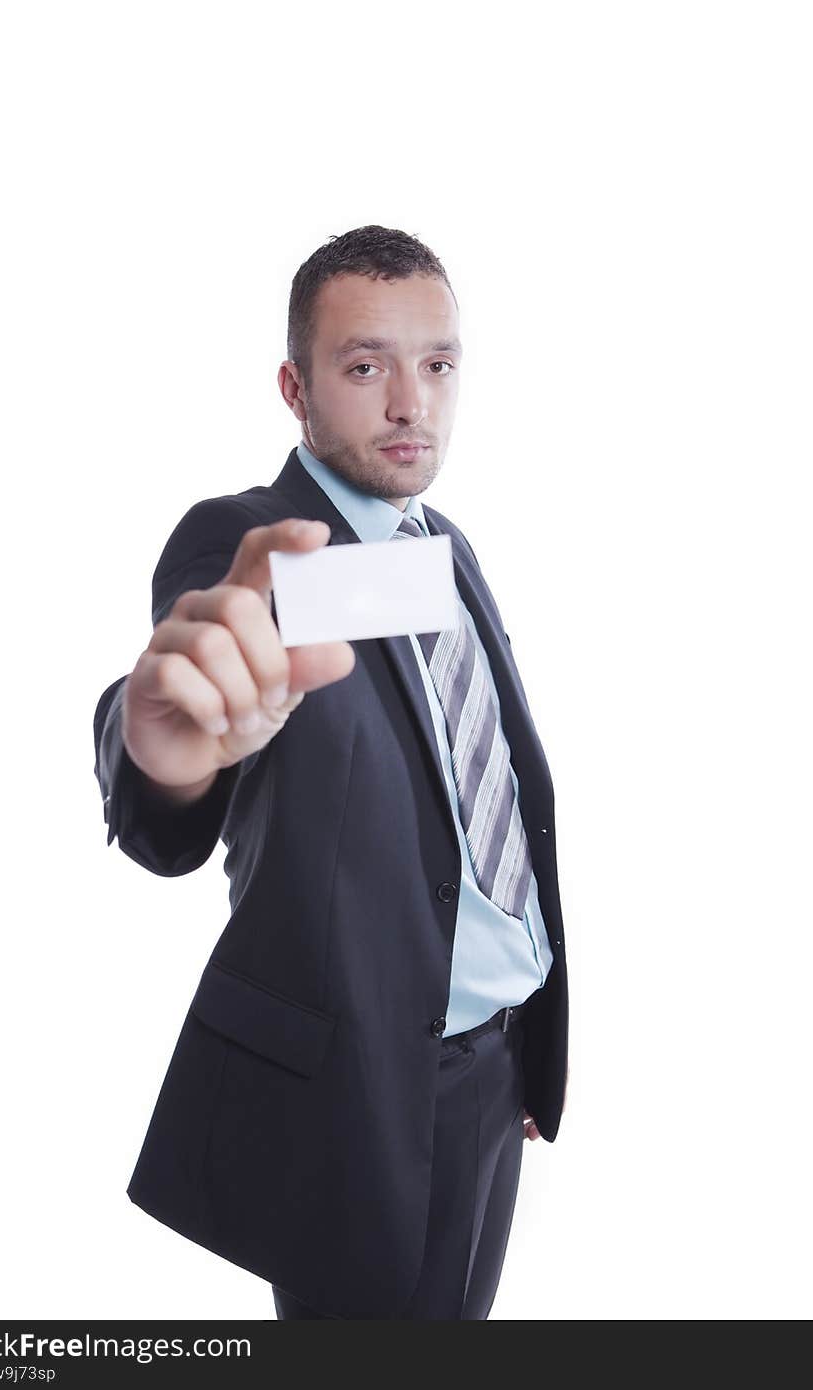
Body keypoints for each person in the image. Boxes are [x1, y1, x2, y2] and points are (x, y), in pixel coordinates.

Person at [92, 224, 569, 1320]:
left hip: (494, 1066)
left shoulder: (439, 541)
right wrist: (160, 750)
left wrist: (527, 1044)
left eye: (436, 363)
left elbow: (482, 784)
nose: (411, 402)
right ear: (294, 388)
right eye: (366, 367)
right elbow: (197, 678)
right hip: (361, 1090)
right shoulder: (247, 541)